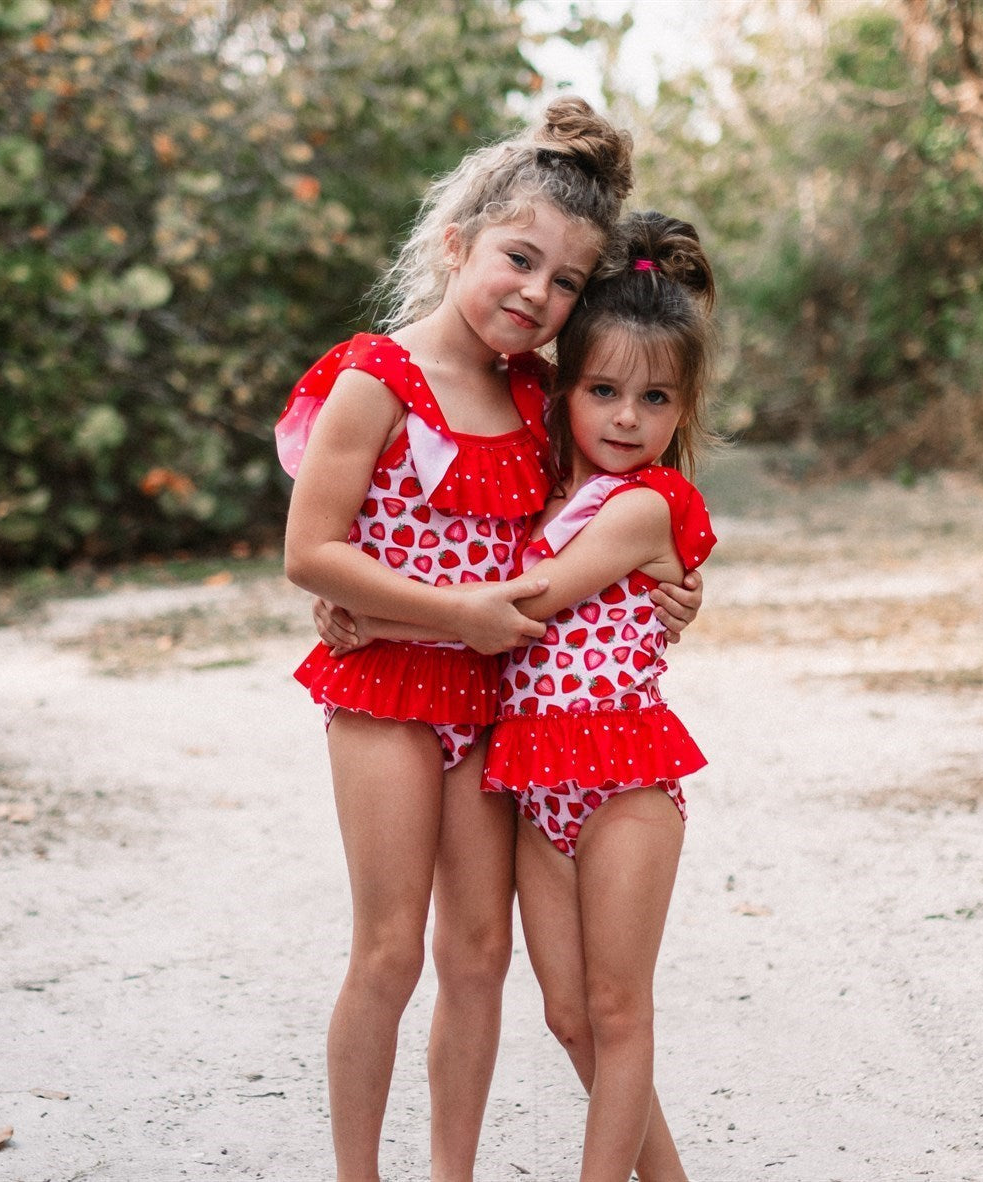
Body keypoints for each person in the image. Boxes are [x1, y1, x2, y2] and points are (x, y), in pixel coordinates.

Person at [278, 98, 702, 1181]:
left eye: (565, 281)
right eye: (519, 259)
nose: (537, 294)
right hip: (386, 689)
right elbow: (311, 552)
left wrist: (670, 589)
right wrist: (428, 614)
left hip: (495, 708)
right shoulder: (376, 377)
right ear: (457, 241)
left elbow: (591, 531)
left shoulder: (538, 395)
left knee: (479, 955)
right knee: (389, 949)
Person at [481, 210, 719, 1181]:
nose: (628, 417)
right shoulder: (541, 493)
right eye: (605, 390)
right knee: (569, 1015)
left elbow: (532, 598)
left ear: (680, 411)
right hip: (539, 780)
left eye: (655, 398)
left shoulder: (641, 505)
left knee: (620, 1011)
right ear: (564, 390)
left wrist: (396, 607)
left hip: (624, 780)